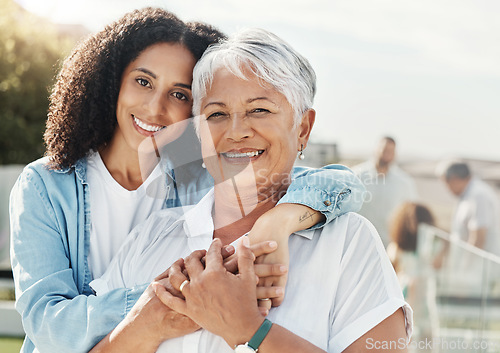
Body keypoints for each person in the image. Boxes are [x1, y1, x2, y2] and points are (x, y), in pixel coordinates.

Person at [9, 8, 365, 353]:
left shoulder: (200, 175)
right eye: (143, 81)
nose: (154, 107)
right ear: (111, 82)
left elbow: (339, 183)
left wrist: (279, 221)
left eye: (179, 94)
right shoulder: (46, 185)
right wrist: (168, 295)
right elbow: (47, 325)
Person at [89, 28, 412, 353]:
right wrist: (144, 326)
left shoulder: (348, 245)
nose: (236, 131)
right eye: (217, 114)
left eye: (259, 110)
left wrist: (248, 330)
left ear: (303, 129)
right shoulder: (150, 238)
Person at [386, 202, 438, 348]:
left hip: (408, 300)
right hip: (418, 300)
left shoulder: (396, 249)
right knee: (424, 341)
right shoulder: (426, 252)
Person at [353, 137, 418, 247]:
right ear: (375, 150)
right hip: (358, 243)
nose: (386, 154)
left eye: (391, 151)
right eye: (383, 149)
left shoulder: (404, 182)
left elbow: (412, 212)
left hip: (388, 246)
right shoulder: (355, 176)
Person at [439, 161, 500, 256]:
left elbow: (478, 239)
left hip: (479, 267)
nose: (447, 188)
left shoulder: (479, 195)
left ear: (454, 179)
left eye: (447, 183)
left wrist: (463, 266)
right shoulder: (466, 194)